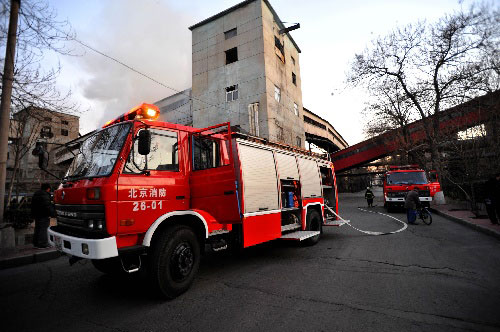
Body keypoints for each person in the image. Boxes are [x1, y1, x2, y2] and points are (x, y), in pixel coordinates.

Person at [31, 183, 55, 248]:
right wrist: (53, 214)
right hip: (44, 215)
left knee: (37, 228)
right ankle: (43, 244)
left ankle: (36, 243)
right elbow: (47, 206)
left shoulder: (36, 193)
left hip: (37, 214)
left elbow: (32, 205)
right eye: (49, 188)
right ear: (48, 188)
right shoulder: (45, 195)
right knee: (43, 229)